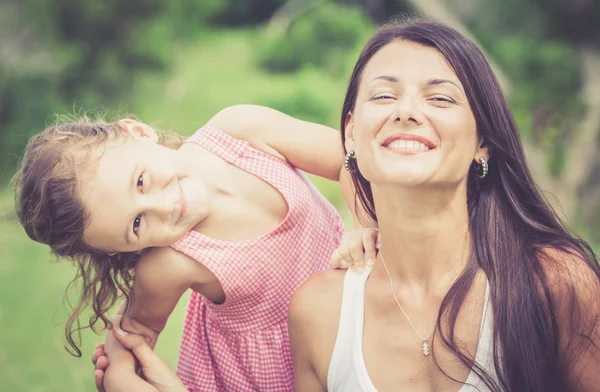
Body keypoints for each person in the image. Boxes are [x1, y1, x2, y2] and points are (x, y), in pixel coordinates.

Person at [288, 20, 600, 392]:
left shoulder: (553, 282)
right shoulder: (320, 310)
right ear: (351, 133)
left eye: (441, 98)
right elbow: (230, 130)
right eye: (384, 96)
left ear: (482, 140)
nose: (405, 111)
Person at [15, 105, 379, 392]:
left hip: (353, 318)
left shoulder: (239, 131)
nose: (163, 207)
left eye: (140, 182)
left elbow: (347, 160)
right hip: (263, 376)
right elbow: (137, 327)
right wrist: (120, 376)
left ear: (138, 133)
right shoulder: (170, 263)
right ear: (117, 250)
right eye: (137, 225)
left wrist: (365, 223)